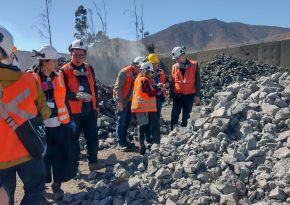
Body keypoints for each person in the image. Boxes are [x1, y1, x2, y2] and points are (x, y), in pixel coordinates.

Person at [0, 26, 51, 205]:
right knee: (35, 190)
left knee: (4, 200)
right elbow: (44, 112)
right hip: (29, 149)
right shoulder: (29, 80)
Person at [32, 45, 77, 201]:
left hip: (58, 123)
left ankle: (56, 184)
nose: (57, 63)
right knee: (43, 156)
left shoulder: (58, 77)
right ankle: (42, 187)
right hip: (41, 124)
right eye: (54, 61)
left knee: (58, 154)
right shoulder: (33, 78)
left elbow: (62, 98)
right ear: (45, 62)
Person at [61, 39, 102, 171]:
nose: (78, 58)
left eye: (81, 55)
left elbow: (94, 88)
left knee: (92, 137)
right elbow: (62, 93)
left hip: (89, 110)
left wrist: (95, 106)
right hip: (73, 113)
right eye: (75, 55)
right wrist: (76, 96)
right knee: (72, 140)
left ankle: (93, 162)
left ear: (85, 55)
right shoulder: (64, 71)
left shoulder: (89, 68)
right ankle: (74, 166)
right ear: (70, 54)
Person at [131, 62, 165, 154]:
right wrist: (160, 89)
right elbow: (151, 93)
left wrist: (156, 86)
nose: (151, 74)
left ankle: (141, 147)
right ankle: (157, 144)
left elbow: (146, 88)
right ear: (146, 71)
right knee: (156, 125)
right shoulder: (145, 80)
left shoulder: (138, 79)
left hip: (140, 108)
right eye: (150, 72)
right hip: (147, 108)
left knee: (142, 128)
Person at [113, 56, 145, 151]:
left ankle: (124, 140)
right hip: (121, 100)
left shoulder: (138, 74)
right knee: (121, 121)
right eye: (140, 68)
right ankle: (120, 142)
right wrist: (119, 102)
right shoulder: (124, 72)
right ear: (135, 66)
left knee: (127, 121)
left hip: (130, 101)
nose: (140, 70)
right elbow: (117, 88)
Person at [170, 46, 201, 130]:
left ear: (183, 55)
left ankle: (184, 132)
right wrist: (171, 95)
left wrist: (197, 95)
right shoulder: (174, 67)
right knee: (174, 114)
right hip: (177, 95)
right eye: (175, 58)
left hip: (189, 95)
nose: (176, 60)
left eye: (177, 58)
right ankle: (173, 132)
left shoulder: (194, 65)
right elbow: (173, 81)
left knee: (186, 115)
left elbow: (198, 81)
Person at [146, 53, 169, 143]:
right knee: (150, 118)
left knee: (156, 118)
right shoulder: (146, 73)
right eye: (153, 63)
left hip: (159, 98)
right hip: (150, 99)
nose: (155, 65)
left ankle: (154, 135)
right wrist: (158, 86)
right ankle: (148, 136)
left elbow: (167, 82)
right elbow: (148, 86)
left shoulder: (161, 72)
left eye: (156, 63)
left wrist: (166, 85)